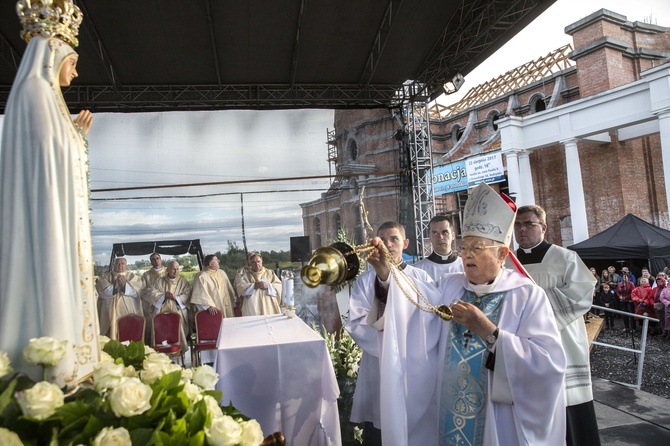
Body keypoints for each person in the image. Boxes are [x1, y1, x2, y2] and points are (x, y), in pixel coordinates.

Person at [364, 183, 566, 445]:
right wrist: (385, 274)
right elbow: (416, 310)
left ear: (502, 254)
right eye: (465, 246)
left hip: (498, 417)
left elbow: (549, 364)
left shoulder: (526, 295)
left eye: (477, 247)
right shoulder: (451, 285)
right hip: (447, 411)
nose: (467, 254)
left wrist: (490, 333)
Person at [0, 0, 100, 387]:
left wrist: (76, 136)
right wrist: (74, 138)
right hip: (42, 221)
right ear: (53, 54)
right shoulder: (33, 92)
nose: (74, 75)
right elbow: (46, 158)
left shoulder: (44, 96)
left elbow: (56, 154)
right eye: (72, 64)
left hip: (53, 214)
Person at [514, 204, 600, 446]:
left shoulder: (565, 257)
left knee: (568, 405)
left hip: (563, 342)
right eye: (518, 225)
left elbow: (581, 294)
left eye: (529, 224)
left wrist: (533, 307)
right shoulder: (507, 264)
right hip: (524, 347)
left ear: (543, 227)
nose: (522, 230)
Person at [344, 221, 433, 445]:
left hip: (414, 366)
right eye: (382, 239)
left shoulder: (422, 279)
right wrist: (389, 344)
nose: (388, 244)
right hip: (379, 365)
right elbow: (356, 323)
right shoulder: (365, 282)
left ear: (405, 243)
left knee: (416, 423)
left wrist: (407, 343)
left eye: (394, 239)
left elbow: (431, 319)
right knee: (380, 425)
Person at [190, 254, 236, 364]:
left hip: (226, 308)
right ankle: (211, 362)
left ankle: (229, 359)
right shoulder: (201, 276)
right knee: (213, 337)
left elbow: (229, 289)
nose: (219, 261)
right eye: (216, 260)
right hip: (211, 313)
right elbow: (199, 295)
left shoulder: (222, 273)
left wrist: (233, 299)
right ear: (210, 263)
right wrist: (208, 306)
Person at [148, 260, 192, 352]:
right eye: (173, 269)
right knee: (161, 333)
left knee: (179, 332)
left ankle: (179, 352)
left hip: (178, 310)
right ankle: (162, 352)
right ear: (167, 270)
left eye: (177, 269)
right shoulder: (159, 281)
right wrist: (164, 296)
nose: (176, 271)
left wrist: (176, 298)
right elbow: (153, 293)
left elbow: (187, 295)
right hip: (161, 311)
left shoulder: (183, 282)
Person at [96, 257, 144, 340]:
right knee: (111, 335)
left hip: (128, 312)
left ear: (126, 265)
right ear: (113, 265)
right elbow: (102, 294)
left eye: (122, 264)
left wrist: (125, 285)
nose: (120, 266)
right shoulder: (104, 277)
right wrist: (115, 285)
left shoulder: (133, 277)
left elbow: (137, 293)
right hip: (109, 312)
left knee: (128, 333)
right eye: (117, 263)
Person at [414, 215, 463, 280]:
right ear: (430, 237)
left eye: (445, 232)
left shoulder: (465, 266)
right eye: (435, 233)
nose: (440, 237)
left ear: (453, 235)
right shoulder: (418, 270)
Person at [234, 252, 282, 316]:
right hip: (252, 308)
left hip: (268, 306)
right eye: (253, 262)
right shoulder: (244, 275)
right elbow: (241, 289)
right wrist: (254, 286)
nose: (256, 264)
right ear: (249, 263)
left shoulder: (270, 273)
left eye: (258, 261)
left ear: (262, 261)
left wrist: (268, 286)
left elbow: (279, 286)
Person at [141, 252, 167, 343]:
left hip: (168, 304)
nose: (156, 261)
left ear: (161, 259)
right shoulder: (146, 275)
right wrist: (158, 296)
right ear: (151, 262)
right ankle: (153, 347)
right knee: (152, 327)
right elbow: (143, 291)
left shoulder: (168, 272)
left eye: (157, 258)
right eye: (153, 259)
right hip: (152, 306)